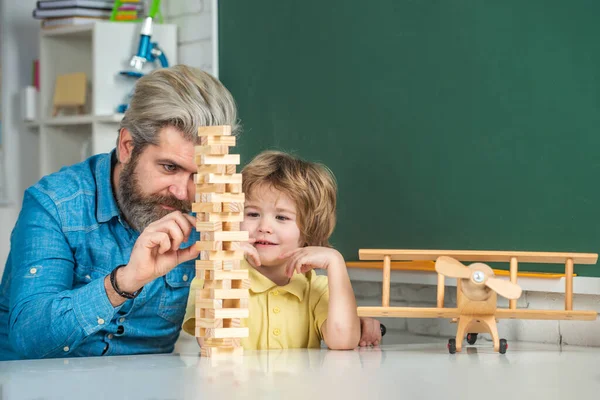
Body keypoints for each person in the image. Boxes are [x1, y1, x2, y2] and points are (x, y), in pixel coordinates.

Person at [0, 65, 237, 360]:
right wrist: (123, 282)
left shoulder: (213, 212)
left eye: (197, 176)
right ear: (127, 146)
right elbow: (30, 338)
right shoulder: (55, 204)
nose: (181, 192)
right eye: (169, 167)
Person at [183, 151, 382, 350]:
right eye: (252, 214)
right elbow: (213, 344)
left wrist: (336, 263)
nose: (264, 227)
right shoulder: (212, 277)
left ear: (308, 231)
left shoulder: (317, 288)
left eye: (282, 217)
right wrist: (226, 265)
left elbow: (343, 341)